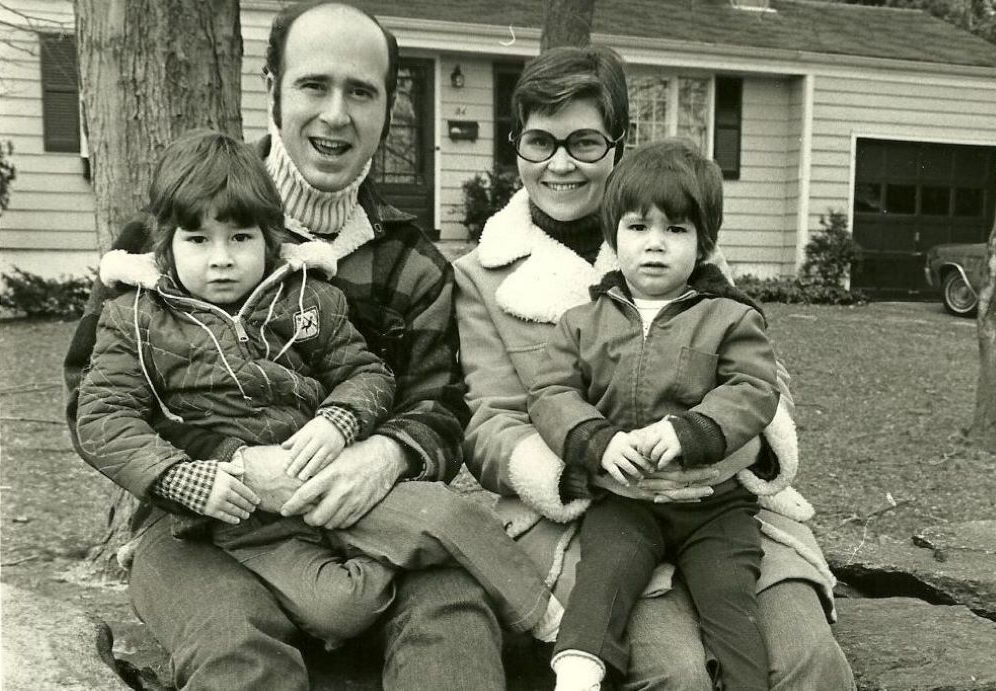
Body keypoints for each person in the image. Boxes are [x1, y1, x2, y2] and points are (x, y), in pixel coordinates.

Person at [64, 3, 508, 688]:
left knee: (452, 606)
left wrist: (383, 454)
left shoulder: (413, 265)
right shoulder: (163, 240)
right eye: (313, 85)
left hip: (358, 517)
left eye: (361, 91)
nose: (336, 113)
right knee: (231, 640)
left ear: (389, 107)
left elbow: (442, 409)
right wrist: (233, 468)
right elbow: (90, 403)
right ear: (271, 86)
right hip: (198, 529)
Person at [453, 44, 856, 689]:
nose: (560, 163)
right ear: (517, 145)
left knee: (807, 660)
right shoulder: (482, 275)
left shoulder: (681, 243)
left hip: (718, 499)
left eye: (584, 142)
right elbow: (491, 424)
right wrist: (592, 465)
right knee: (675, 673)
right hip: (593, 516)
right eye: (539, 142)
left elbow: (759, 379)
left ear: (619, 143)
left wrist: (727, 450)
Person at [75, 129, 560, 652]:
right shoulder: (135, 319)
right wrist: (187, 480)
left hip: (330, 478)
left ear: (269, 236)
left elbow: (368, 372)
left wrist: (339, 420)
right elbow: (103, 418)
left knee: (446, 513)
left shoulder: (309, 296)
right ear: (166, 243)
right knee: (341, 611)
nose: (221, 259)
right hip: (240, 514)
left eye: (240, 238)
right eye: (198, 240)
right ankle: (398, 564)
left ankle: (549, 624)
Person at [529, 142, 782, 690]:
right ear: (613, 237)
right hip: (623, 498)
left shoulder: (730, 317)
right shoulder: (582, 321)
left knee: (730, 600)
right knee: (603, 577)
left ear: (704, 242)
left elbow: (754, 388)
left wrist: (690, 431)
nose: (655, 246)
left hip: (713, 505)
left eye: (677, 230)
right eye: (639, 227)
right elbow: (550, 393)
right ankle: (576, 673)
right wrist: (596, 441)